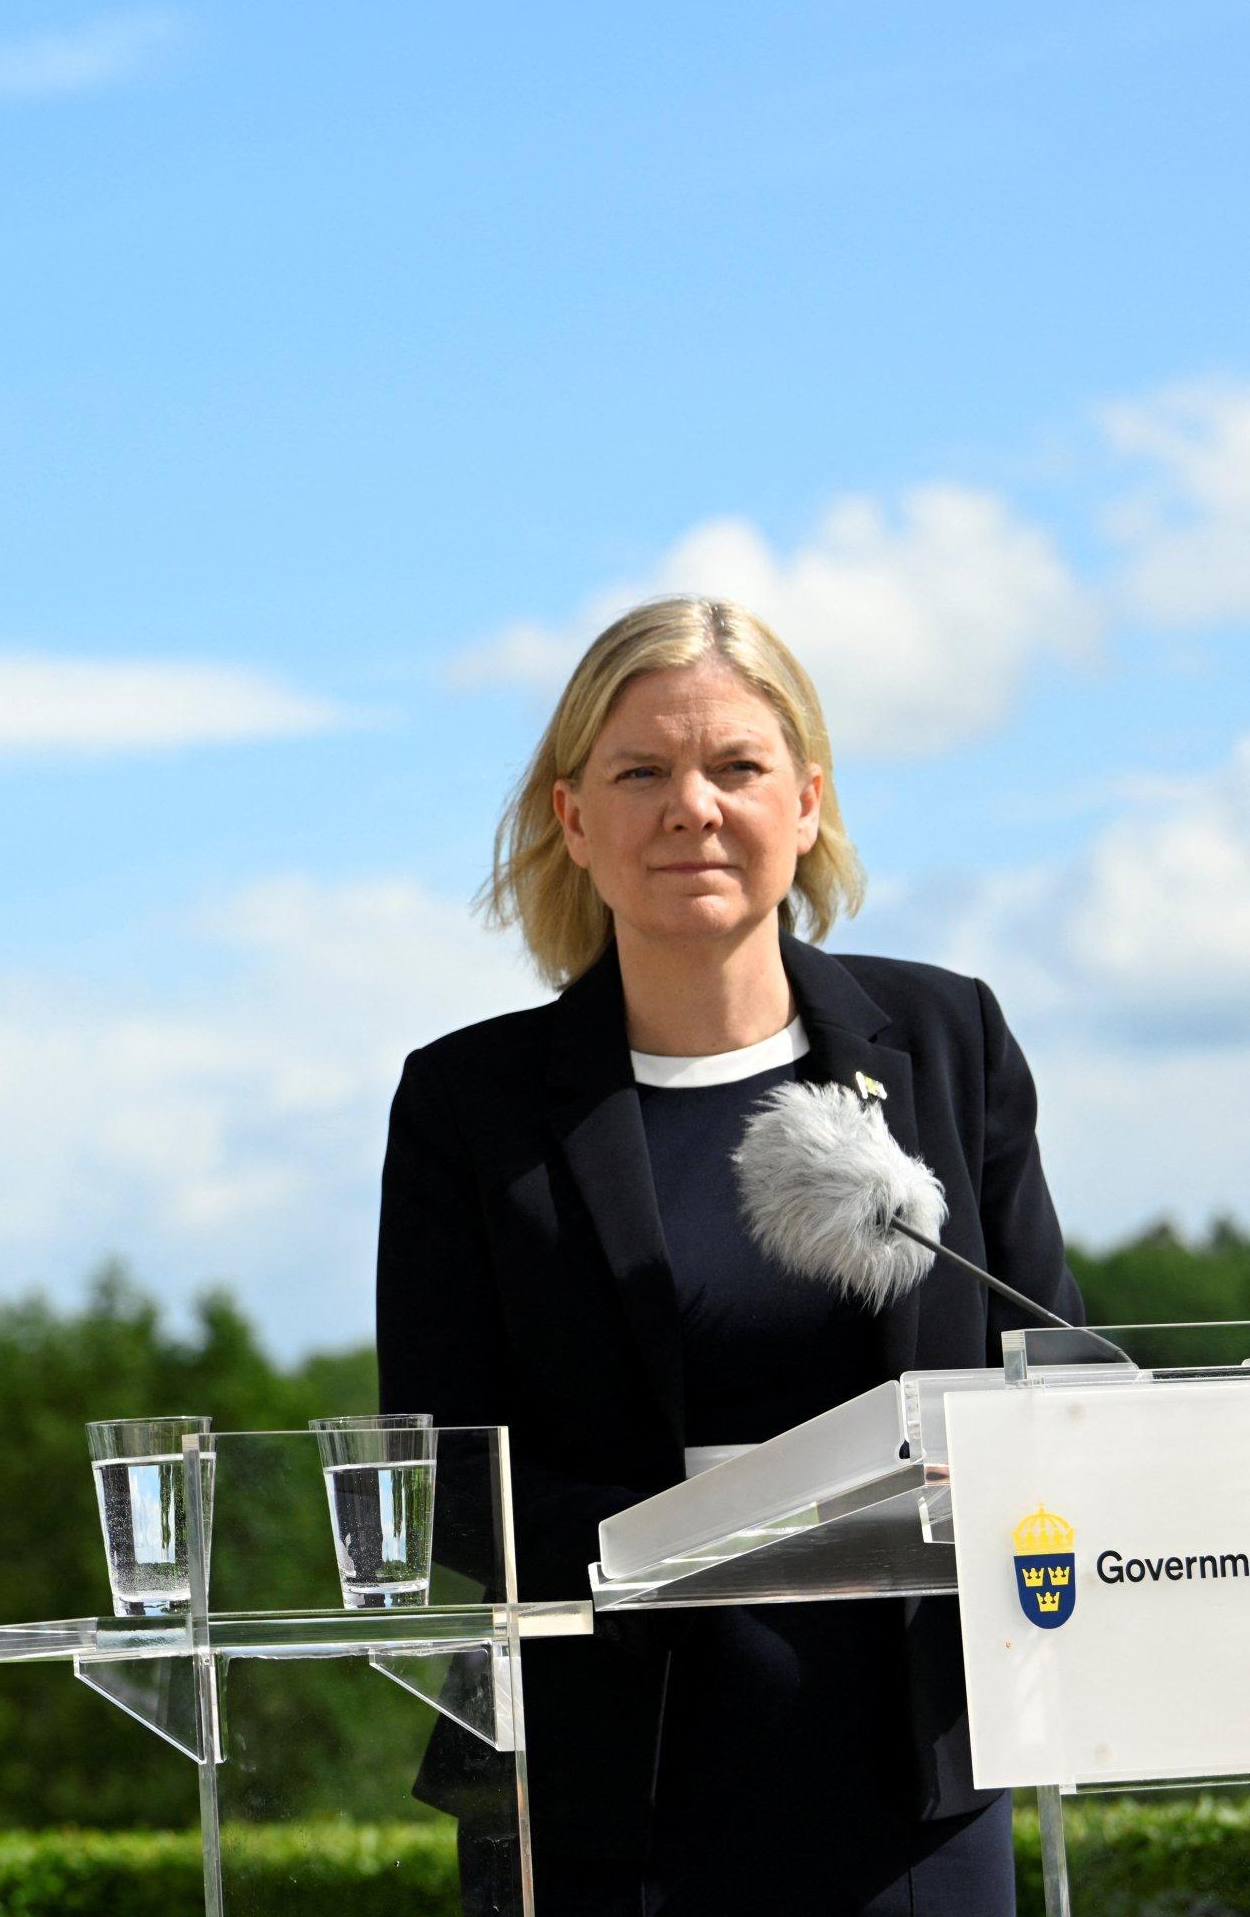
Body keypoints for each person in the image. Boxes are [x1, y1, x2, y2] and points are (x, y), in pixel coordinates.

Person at [376, 597, 1079, 1914]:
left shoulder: (947, 1040)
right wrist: (724, 1531)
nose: (690, 807)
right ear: (573, 820)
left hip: (918, 1777)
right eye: (641, 772)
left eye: (736, 767)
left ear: (807, 803)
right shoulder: (470, 1104)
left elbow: (1055, 1381)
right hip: (602, 1792)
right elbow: (442, 1480)